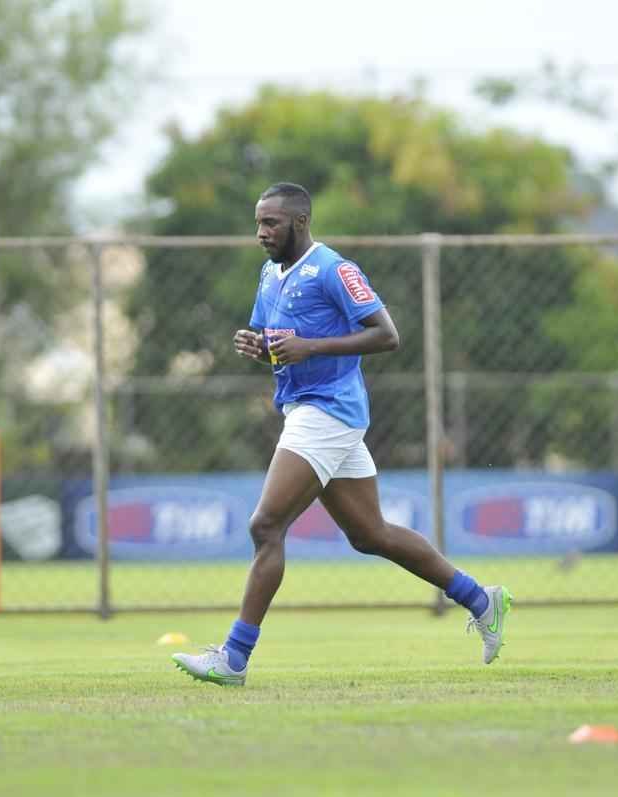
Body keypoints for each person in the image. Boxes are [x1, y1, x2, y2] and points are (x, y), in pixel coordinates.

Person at [172, 183, 511, 686]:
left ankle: (234, 659)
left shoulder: (334, 268)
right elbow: (278, 342)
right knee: (370, 535)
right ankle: (481, 599)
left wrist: (310, 348)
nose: (261, 232)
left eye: (272, 223)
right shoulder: (270, 273)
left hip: (328, 411)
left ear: (300, 222)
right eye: (259, 222)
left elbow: (386, 335)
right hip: (306, 412)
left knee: (265, 526)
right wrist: (259, 346)